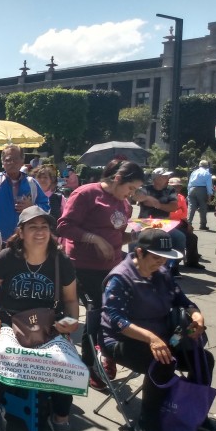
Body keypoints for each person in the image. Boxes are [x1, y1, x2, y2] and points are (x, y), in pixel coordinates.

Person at [101, 228, 216, 431]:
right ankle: (147, 424)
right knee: (163, 362)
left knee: (204, 359)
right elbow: (116, 320)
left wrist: (196, 315)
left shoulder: (162, 273)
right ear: (139, 252)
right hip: (123, 340)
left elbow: (183, 301)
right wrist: (151, 338)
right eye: (156, 257)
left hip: (163, 336)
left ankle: (196, 413)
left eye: (165, 258)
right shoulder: (120, 277)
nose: (161, 262)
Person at [0, 206, 81, 431]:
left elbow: (70, 299)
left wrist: (71, 321)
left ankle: (60, 420)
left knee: (65, 364)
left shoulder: (61, 261)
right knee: (1, 360)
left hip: (49, 325)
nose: (39, 232)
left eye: (44, 227)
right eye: (33, 227)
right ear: (21, 232)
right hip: (10, 322)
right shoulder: (7, 257)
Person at [56, 159, 145, 389]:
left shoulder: (124, 204)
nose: (131, 194)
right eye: (130, 188)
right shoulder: (87, 194)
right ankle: (90, 363)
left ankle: (109, 353)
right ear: (117, 179)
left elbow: (118, 235)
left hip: (113, 266)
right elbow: (64, 226)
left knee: (122, 309)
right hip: (83, 266)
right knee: (97, 313)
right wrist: (93, 239)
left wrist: (138, 236)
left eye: (135, 190)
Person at [132, 167, 186, 276]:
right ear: (156, 178)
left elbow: (173, 207)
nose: (167, 178)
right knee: (134, 236)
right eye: (164, 176)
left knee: (179, 237)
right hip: (145, 221)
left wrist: (158, 205)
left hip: (163, 223)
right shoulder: (146, 188)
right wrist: (150, 198)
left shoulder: (170, 190)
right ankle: (134, 265)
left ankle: (173, 266)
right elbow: (136, 196)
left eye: (167, 176)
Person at [167, 177, 204, 269]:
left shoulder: (181, 197)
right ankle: (174, 264)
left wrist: (188, 224)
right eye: (174, 187)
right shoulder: (165, 197)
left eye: (178, 187)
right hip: (167, 224)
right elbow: (169, 213)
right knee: (179, 237)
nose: (176, 189)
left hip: (179, 223)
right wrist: (177, 212)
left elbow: (183, 214)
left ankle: (192, 261)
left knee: (193, 237)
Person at [187, 159, 214, 230]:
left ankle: (188, 223)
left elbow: (189, 183)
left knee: (191, 207)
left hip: (192, 189)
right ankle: (203, 225)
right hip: (202, 189)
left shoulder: (194, 172)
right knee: (203, 207)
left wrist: (188, 192)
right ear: (207, 166)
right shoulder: (207, 173)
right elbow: (209, 185)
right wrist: (209, 195)